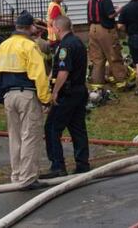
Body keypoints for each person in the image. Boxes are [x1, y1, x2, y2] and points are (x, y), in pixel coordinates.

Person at [0, 11, 52, 190]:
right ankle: (28, 178)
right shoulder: (29, 46)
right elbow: (39, 74)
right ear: (29, 27)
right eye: (34, 25)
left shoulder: (3, 45)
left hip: (8, 96)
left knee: (15, 136)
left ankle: (17, 174)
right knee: (30, 136)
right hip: (26, 94)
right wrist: (45, 98)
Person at [41, 16, 90, 178]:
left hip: (67, 93)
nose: (52, 31)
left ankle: (57, 166)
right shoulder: (78, 42)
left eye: (53, 28)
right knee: (77, 128)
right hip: (79, 90)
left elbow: (63, 71)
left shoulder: (65, 46)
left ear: (58, 29)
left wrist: (54, 92)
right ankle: (82, 164)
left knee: (52, 128)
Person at [86, 0, 127, 87]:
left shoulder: (91, 0)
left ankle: (97, 83)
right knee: (114, 55)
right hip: (105, 30)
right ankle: (121, 81)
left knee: (97, 58)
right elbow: (110, 15)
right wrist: (119, 10)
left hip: (92, 29)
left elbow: (98, 12)